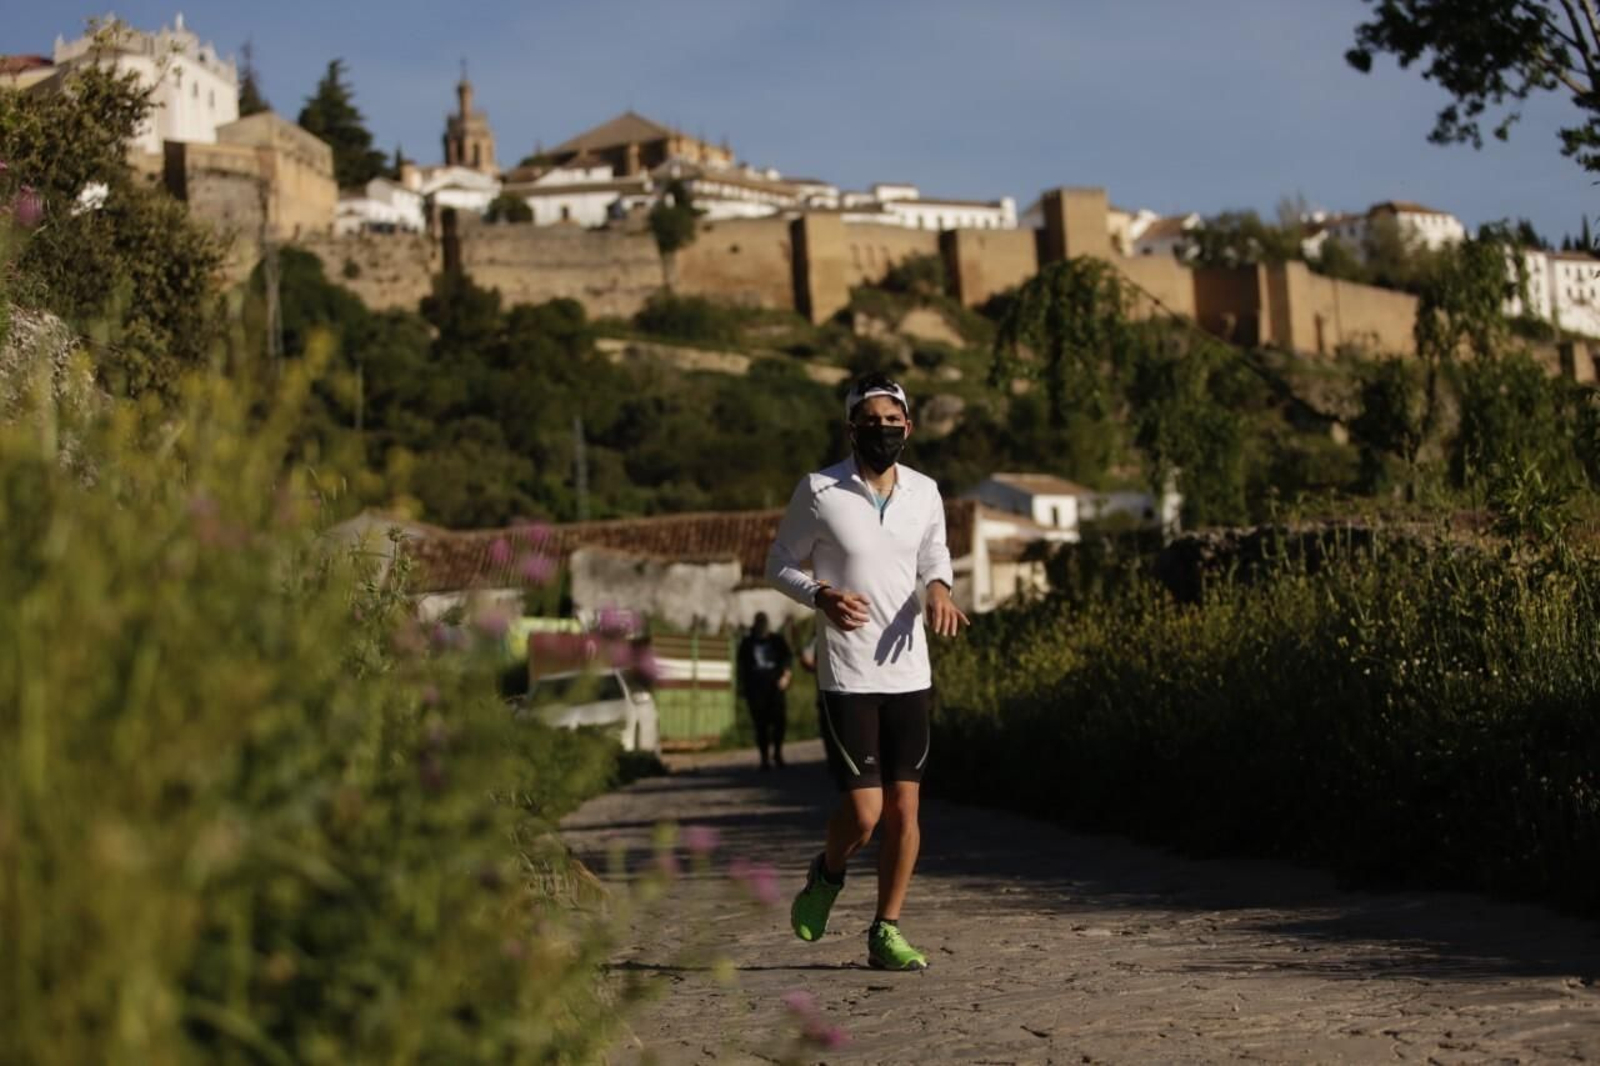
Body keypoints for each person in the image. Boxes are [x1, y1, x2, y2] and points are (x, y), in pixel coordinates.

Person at [765, 372, 969, 972]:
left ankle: (886, 929)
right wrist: (820, 594)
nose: (883, 430)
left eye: (892, 421)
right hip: (848, 673)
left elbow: (935, 553)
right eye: (871, 421)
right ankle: (828, 873)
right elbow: (778, 562)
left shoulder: (925, 492)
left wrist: (939, 589)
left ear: (909, 427)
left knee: (906, 810)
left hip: (909, 671)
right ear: (851, 428)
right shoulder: (819, 490)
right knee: (864, 814)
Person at [736, 612, 793, 770]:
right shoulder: (747, 643)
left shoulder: (777, 640)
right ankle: (764, 758)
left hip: (775, 688)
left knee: (779, 722)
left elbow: (788, 658)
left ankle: (778, 753)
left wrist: (786, 676)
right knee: (760, 724)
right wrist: (742, 688)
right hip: (756, 690)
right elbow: (741, 666)